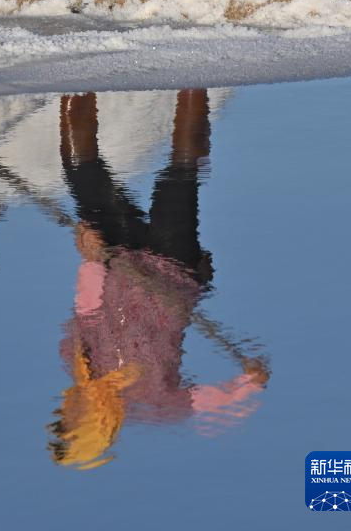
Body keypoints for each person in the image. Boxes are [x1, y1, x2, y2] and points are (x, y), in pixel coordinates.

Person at [48, 91, 269, 469]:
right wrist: (249, 384)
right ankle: (193, 75)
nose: (66, 409)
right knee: (181, 171)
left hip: (117, 255)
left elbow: (88, 308)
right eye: (69, 421)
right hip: (173, 266)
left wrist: (91, 257)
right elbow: (207, 402)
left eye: (61, 416)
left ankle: (78, 80)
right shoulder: (156, 404)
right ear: (92, 428)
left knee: (79, 166)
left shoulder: (77, 362)